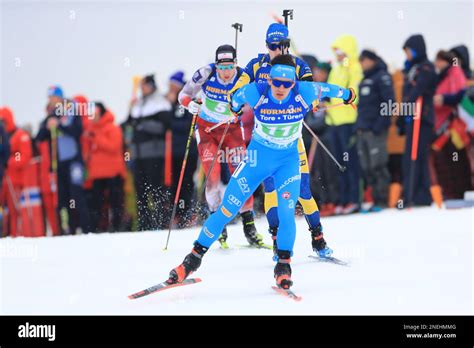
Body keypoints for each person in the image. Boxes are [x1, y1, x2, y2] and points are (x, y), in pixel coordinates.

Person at [167, 55, 355, 290]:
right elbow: (236, 98)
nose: (280, 88)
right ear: (270, 79)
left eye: (287, 84)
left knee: (287, 212)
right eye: (276, 82)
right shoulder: (257, 90)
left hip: (287, 163)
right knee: (226, 209)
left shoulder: (306, 90)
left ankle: (283, 267)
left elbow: (334, 90)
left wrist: (349, 96)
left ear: (294, 83)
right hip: (257, 161)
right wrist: (234, 108)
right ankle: (191, 261)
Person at [232, 23, 333, 259]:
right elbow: (240, 86)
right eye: (272, 45)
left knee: (304, 192)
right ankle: (278, 242)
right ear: (266, 45)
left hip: (292, 141)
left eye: (281, 45)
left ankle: (318, 239)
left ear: (287, 45)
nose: (276, 49)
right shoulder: (256, 64)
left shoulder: (298, 65)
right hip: (265, 144)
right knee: (271, 191)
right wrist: (234, 100)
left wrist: (315, 101)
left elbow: (312, 88)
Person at [178, 44, 262, 248]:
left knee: (241, 176)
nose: (226, 72)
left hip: (232, 131)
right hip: (207, 131)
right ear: (217, 66)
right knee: (213, 177)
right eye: (222, 67)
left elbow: (259, 101)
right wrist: (191, 104)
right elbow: (183, 95)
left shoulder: (243, 77)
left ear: (235, 64)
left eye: (230, 67)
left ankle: (249, 226)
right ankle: (218, 227)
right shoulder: (205, 73)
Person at [36, 86, 91, 234]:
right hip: (59, 163)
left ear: (60, 98)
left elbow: (76, 131)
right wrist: (48, 127)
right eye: (49, 98)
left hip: (74, 161)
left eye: (53, 97)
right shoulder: (52, 114)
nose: (51, 101)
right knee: (62, 199)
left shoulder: (71, 109)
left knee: (77, 195)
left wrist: (59, 125)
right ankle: (67, 230)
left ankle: (86, 229)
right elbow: (40, 137)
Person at [128, 75, 172, 230]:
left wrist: (143, 125)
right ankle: (144, 223)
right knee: (140, 189)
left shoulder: (160, 103)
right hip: (138, 154)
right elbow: (129, 124)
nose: (143, 89)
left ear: (152, 86)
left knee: (155, 188)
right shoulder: (138, 104)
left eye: (145, 86)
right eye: (141, 86)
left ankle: (160, 221)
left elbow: (164, 127)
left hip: (154, 154)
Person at [325, 34, 363, 215]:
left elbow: (354, 92)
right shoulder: (336, 68)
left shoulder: (354, 68)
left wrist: (346, 99)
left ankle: (354, 199)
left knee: (350, 162)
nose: (338, 55)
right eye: (336, 51)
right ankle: (343, 199)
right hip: (334, 121)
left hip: (349, 121)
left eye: (340, 51)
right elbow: (331, 89)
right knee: (339, 163)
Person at [398, 34, 437, 206]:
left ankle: (419, 195)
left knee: (418, 156)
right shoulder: (411, 68)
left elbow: (420, 88)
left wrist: (406, 103)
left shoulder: (426, 67)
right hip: (412, 118)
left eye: (408, 51)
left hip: (423, 117)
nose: (407, 55)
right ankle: (411, 194)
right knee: (409, 157)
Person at [356, 50, 394, 211]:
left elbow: (390, 103)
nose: (362, 64)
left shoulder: (382, 77)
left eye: (363, 60)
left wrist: (378, 127)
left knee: (378, 165)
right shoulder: (365, 79)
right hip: (362, 131)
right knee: (367, 167)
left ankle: (382, 200)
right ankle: (373, 200)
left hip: (375, 131)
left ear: (371, 60)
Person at [432, 50, 471, 199]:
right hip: (440, 126)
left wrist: (444, 99)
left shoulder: (455, 72)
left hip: (454, 126)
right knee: (445, 162)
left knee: (458, 160)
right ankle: (451, 194)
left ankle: (463, 192)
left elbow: (460, 95)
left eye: (439, 60)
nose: (436, 63)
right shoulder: (440, 77)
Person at [87, 102, 126, 232]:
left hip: (113, 172)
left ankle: (117, 227)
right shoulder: (90, 130)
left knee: (116, 202)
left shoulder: (112, 128)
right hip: (96, 174)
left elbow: (114, 147)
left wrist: (97, 138)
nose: (93, 117)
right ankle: (99, 227)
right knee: (97, 204)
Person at [166, 71, 198, 228]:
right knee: (174, 183)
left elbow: (182, 124)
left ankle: (187, 214)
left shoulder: (184, 102)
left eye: (172, 85)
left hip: (187, 150)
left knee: (186, 183)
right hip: (174, 151)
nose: (169, 89)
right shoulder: (171, 103)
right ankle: (177, 214)